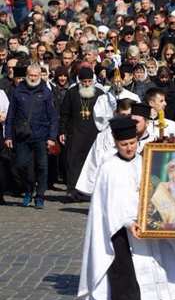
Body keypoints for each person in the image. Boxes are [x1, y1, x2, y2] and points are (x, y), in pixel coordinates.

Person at [77, 116, 175, 300]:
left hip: (148, 233)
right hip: (118, 232)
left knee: (151, 275)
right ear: (116, 143)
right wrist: (128, 222)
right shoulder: (109, 168)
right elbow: (108, 206)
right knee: (124, 278)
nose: (129, 148)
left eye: (132, 143)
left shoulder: (146, 162)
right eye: (124, 144)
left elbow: (158, 193)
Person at [3, 63, 58, 209]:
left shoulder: (46, 92)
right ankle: (28, 190)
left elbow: (53, 116)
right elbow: (11, 115)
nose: (33, 78)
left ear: (40, 76)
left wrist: (52, 137)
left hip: (41, 134)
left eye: (35, 75)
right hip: (22, 135)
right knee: (22, 165)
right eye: (30, 75)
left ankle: (40, 196)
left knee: (42, 166)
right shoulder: (18, 91)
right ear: (26, 75)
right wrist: (8, 136)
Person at [76, 101, 154, 196]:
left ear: (147, 123)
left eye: (137, 122)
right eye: (131, 121)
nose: (133, 124)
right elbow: (100, 161)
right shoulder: (112, 137)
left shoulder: (154, 141)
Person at [59, 66, 103, 201]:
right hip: (75, 133)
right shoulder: (72, 93)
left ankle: (88, 192)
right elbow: (64, 114)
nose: (87, 84)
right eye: (84, 82)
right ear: (79, 81)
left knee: (90, 163)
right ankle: (72, 191)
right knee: (73, 163)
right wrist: (62, 131)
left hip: (93, 134)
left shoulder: (100, 94)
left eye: (89, 81)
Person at [93, 66, 140, 131]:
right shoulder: (102, 99)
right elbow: (98, 117)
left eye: (119, 81)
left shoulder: (133, 97)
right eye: (114, 81)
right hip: (110, 131)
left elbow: (138, 116)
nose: (117, 84)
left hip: (129, 131)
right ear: (111, 82)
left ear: (123, 81)